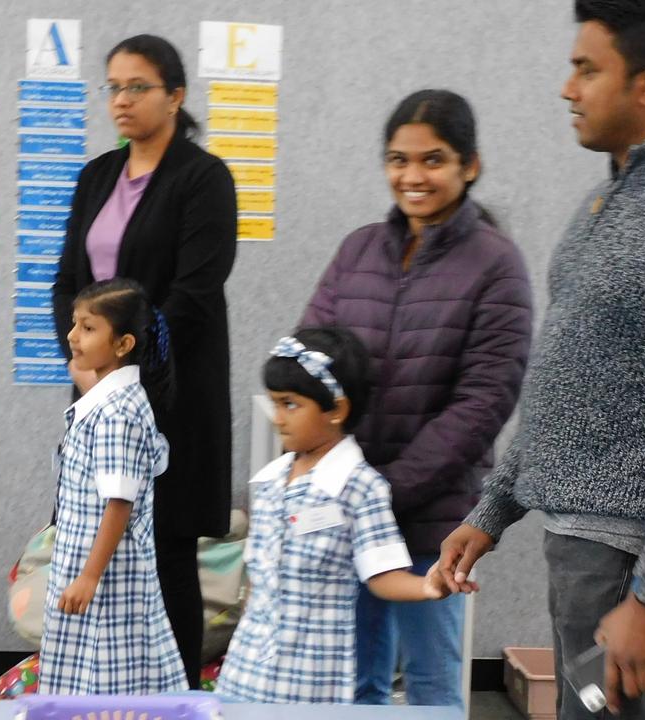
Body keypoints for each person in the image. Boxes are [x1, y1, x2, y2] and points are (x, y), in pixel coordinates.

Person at [435, 2, 645, 718]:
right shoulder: (609, 200)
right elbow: (565, 373)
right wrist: (493, 508)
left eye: (586, 69)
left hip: (620, 560)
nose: (567, 88)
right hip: (576, 543)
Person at [300, 89, 532, 708]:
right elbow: (310, 359)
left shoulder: (496, 264)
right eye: (399, 159)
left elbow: (483, 403)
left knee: (431, 685)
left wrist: (384, 489)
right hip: (351, 506)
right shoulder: (358, 250)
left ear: (469, 166)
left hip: (435, 516)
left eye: (433, 160)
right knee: (352, 682)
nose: (413, 176)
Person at [51, 34, 237, 688]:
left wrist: (124, 368)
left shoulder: (203, 178)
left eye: (137, 87)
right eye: (114, 87)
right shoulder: (95, 175)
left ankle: (178, 696)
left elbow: (195, 292)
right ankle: (95, 693)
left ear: (175, 96)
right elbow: (66, 282)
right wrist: (82, 359)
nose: (122, 100)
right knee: (91, 543)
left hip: (172, 396)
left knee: (165, 555)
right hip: (96, 394)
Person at [216, 329, 448, 704]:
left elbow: (382, 576)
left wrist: (429, 586)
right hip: (246, 666)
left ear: (336, 410)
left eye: (290, 405)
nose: (278, 418)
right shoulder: (271, 481)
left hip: (311, 676)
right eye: (275, 404)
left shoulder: (360, 487)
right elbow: (257, 584)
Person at [40, 279, 185, 696]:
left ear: (122, 345)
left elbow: (118, 504)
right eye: (74, 324)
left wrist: (88, 576)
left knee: (109, 678)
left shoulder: (117, 415)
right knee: (87, 670)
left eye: (87, 328)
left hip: (107, 575)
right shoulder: (114, 401)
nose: (72, 336)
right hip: (91, 565)